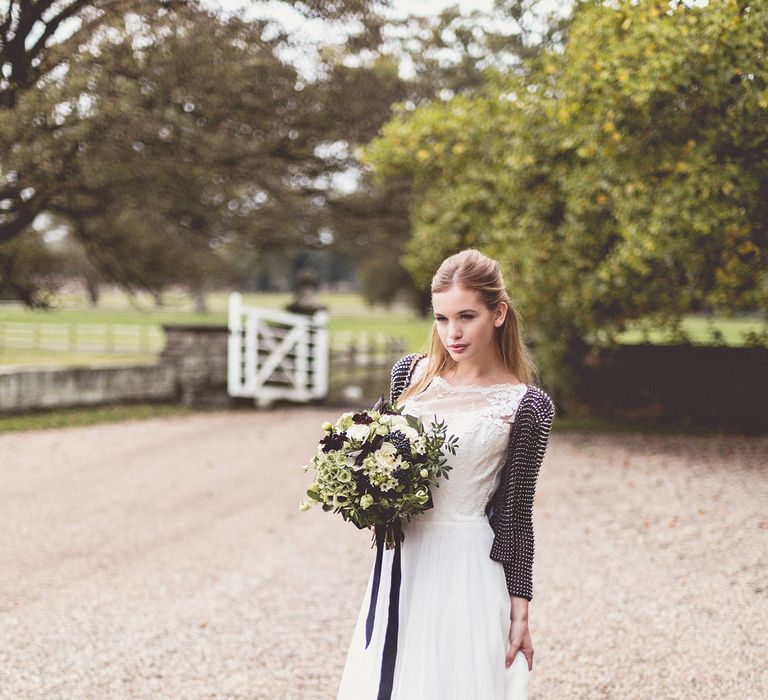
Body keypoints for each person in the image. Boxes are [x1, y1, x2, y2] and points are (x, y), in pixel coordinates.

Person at [336, 248, 556, 700]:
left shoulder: (527, 405)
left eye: (466, 316)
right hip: (401, 557)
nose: (452, 333)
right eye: (441, 318)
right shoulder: (409, 376)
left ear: (498, 314)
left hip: (466, 567)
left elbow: (516, 515)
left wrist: (520, 611)